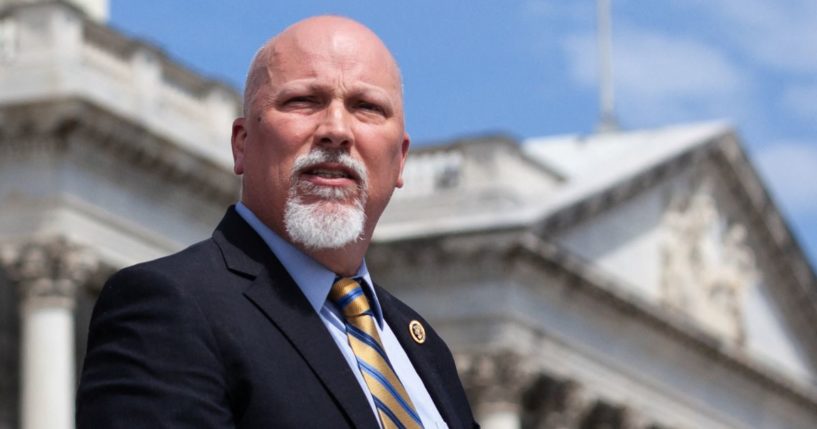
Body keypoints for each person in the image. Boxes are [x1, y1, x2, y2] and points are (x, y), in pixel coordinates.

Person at [76, 15, 478, 429]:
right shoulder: (168, 306)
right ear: (242, 143)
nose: (336, 130)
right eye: (303, 101)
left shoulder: (425, 350)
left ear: (400, 159)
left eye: (367, 108)